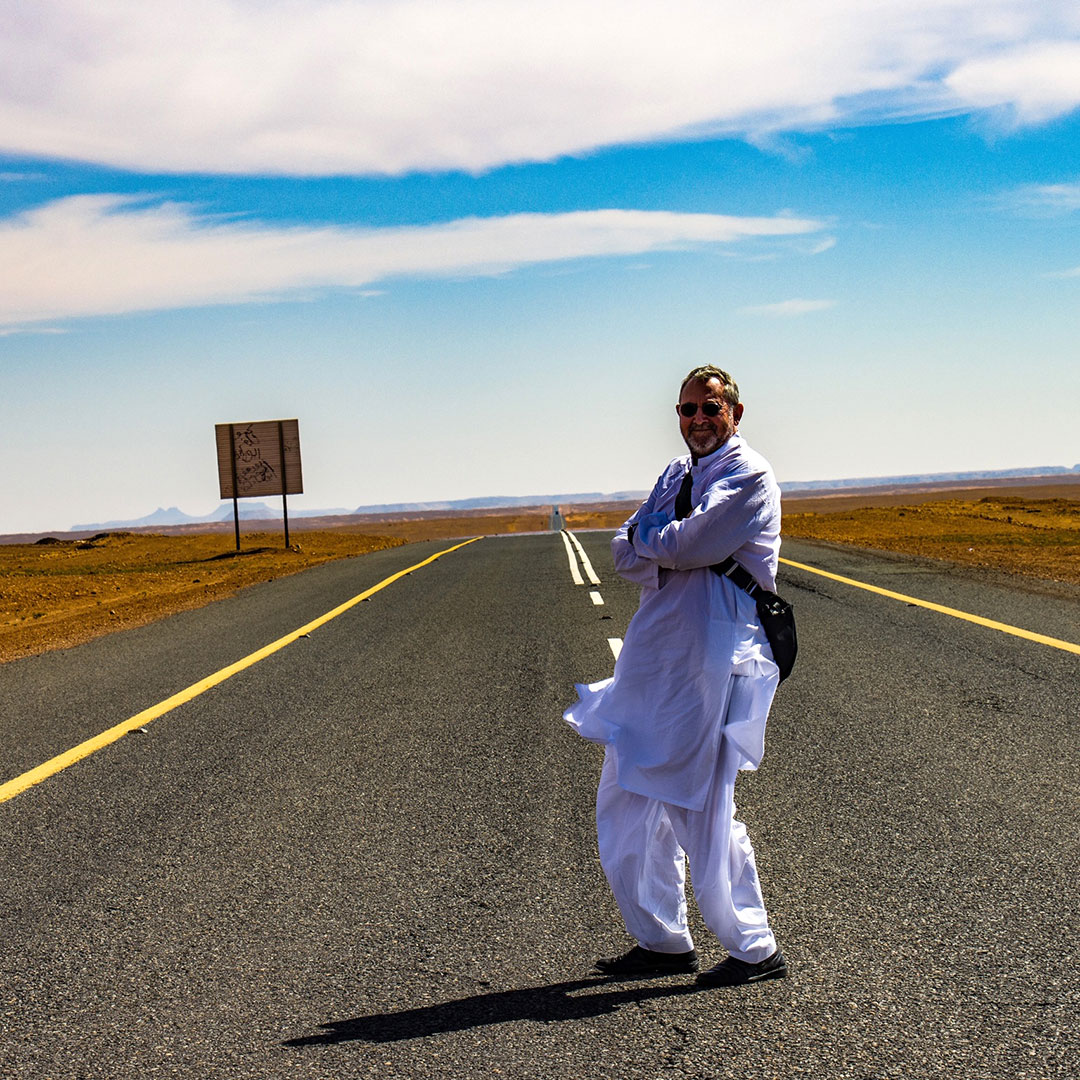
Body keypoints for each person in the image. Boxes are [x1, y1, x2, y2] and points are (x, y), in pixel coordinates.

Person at [564, 365, 787, 986]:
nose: (698, 420)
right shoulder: (674, 474)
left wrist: (657, 542)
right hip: (652, 657)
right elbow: (623, 551)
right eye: (688, 410)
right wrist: (662, 543)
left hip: (710, 658)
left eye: (710, 408)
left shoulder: (749, 476)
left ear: (734, 413)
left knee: (700, 804)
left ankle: (754, 948)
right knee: (625, 797)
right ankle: (662, 939)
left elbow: (692, 544)